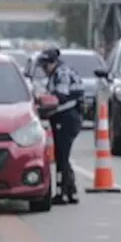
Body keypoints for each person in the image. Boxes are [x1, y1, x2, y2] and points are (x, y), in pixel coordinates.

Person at [36, 47, 83, 205]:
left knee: (62, 155)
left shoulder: (61, 74)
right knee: (62, 156)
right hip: (64, 117)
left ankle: (64, 191)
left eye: (45, 65)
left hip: (67, 117)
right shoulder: (59, 72)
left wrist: (43, 103)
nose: (43, 69)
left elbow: (60, 97)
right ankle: (70, 191)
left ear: (53, 63)